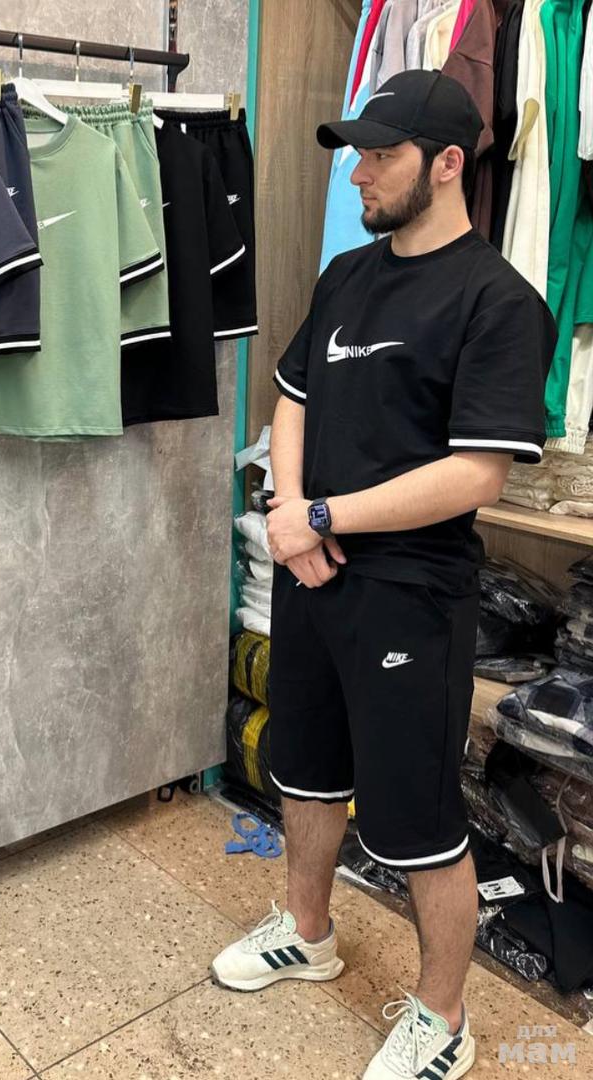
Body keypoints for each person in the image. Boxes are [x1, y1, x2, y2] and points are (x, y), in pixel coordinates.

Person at [210, 70, 557, 1080]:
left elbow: (475, 474)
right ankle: (307, 932)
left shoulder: (498, 301)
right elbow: (291, 398)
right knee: (306, 772)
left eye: (379, 155)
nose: (357, 173)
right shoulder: (347, 276)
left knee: (416, 818)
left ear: (446, 164)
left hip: (411, 593)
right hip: (310, 575)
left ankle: (442, 1016)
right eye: (355, 153)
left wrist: (323, 517)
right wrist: (289, 514)